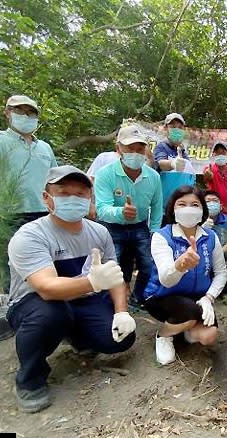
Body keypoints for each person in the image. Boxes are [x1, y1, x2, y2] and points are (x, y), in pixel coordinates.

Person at [6, 165, 135, 413]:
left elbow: (114, 276)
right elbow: (46, 288)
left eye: (81, 194)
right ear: (47, 198)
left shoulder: (99, 233)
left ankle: (77, 335)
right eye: (64, 193)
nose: (73, 200)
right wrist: (93, 283)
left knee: (120, 338)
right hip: (35, 303)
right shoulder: (31, 236)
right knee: (52, 314)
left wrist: (121, 311)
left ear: (90, 198)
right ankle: (30, 380)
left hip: (83, 299)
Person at [0, 95, 58, 292]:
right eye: (19, 111)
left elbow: (54, 179)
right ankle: (11, 312)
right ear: (7, 113)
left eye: (30, 112)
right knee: (11, 269)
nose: (25, 116)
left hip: (44, 215)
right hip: (10, 216)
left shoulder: (44, 146)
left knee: (47, 266)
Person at [143, 186, 227, 365]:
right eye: (182, 204)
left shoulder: (211, 237)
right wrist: (180, 266)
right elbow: (166, 279)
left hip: (196, 299)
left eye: (195, 204)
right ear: (173, 209)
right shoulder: (162, 236)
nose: (188, 209)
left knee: (209, 336)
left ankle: (185, 329)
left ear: (202, 210)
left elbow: (221, 272)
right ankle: (164, 335)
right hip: (162, 296)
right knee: (191, 312)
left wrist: (208, 298)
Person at [94, 123, 163, 307]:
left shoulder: (153, 177)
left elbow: (157, 207)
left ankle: (137, 299)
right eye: (130, 148)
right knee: (114, 267)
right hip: (111, 228)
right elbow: (102, 209)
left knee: (149, 265)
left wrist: (155, 232)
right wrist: (121, 212)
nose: (135, 152)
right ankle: (112, 303)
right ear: (118, 148)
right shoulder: (105, 174)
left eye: (140, 148)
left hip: (140, 226)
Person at [153, 113, 195, 207]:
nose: (177, 130)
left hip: (183, 208)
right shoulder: (162, 147)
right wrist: (172, 164)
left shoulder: (183, 152)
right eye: (173, 126)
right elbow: (161, 163)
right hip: (165, 209)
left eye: (180, 127)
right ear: (165, 129)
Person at [202, 142, 227, 217]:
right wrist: (207, 176)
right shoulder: (209, 170)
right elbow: (206, 180)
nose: (220, 155)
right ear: (213, 155)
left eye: (223, 153)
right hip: (214, 212)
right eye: (217, 153)